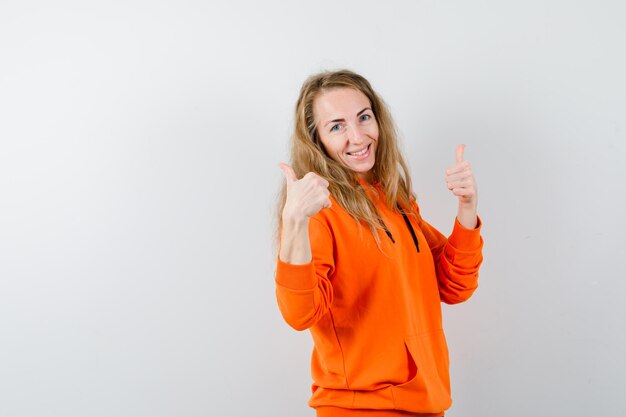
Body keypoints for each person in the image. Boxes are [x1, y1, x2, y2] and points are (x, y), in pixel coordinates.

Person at [274, 69, 484, 417]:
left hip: (424, 403)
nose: (357, 137)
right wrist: (294, 221)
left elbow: (454, 286)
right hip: (360, 407)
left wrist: (467, 208)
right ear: (317, 140)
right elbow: (300, 314)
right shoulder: (319, 210)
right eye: (337, 126)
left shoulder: (395, 201)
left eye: (363, 117)